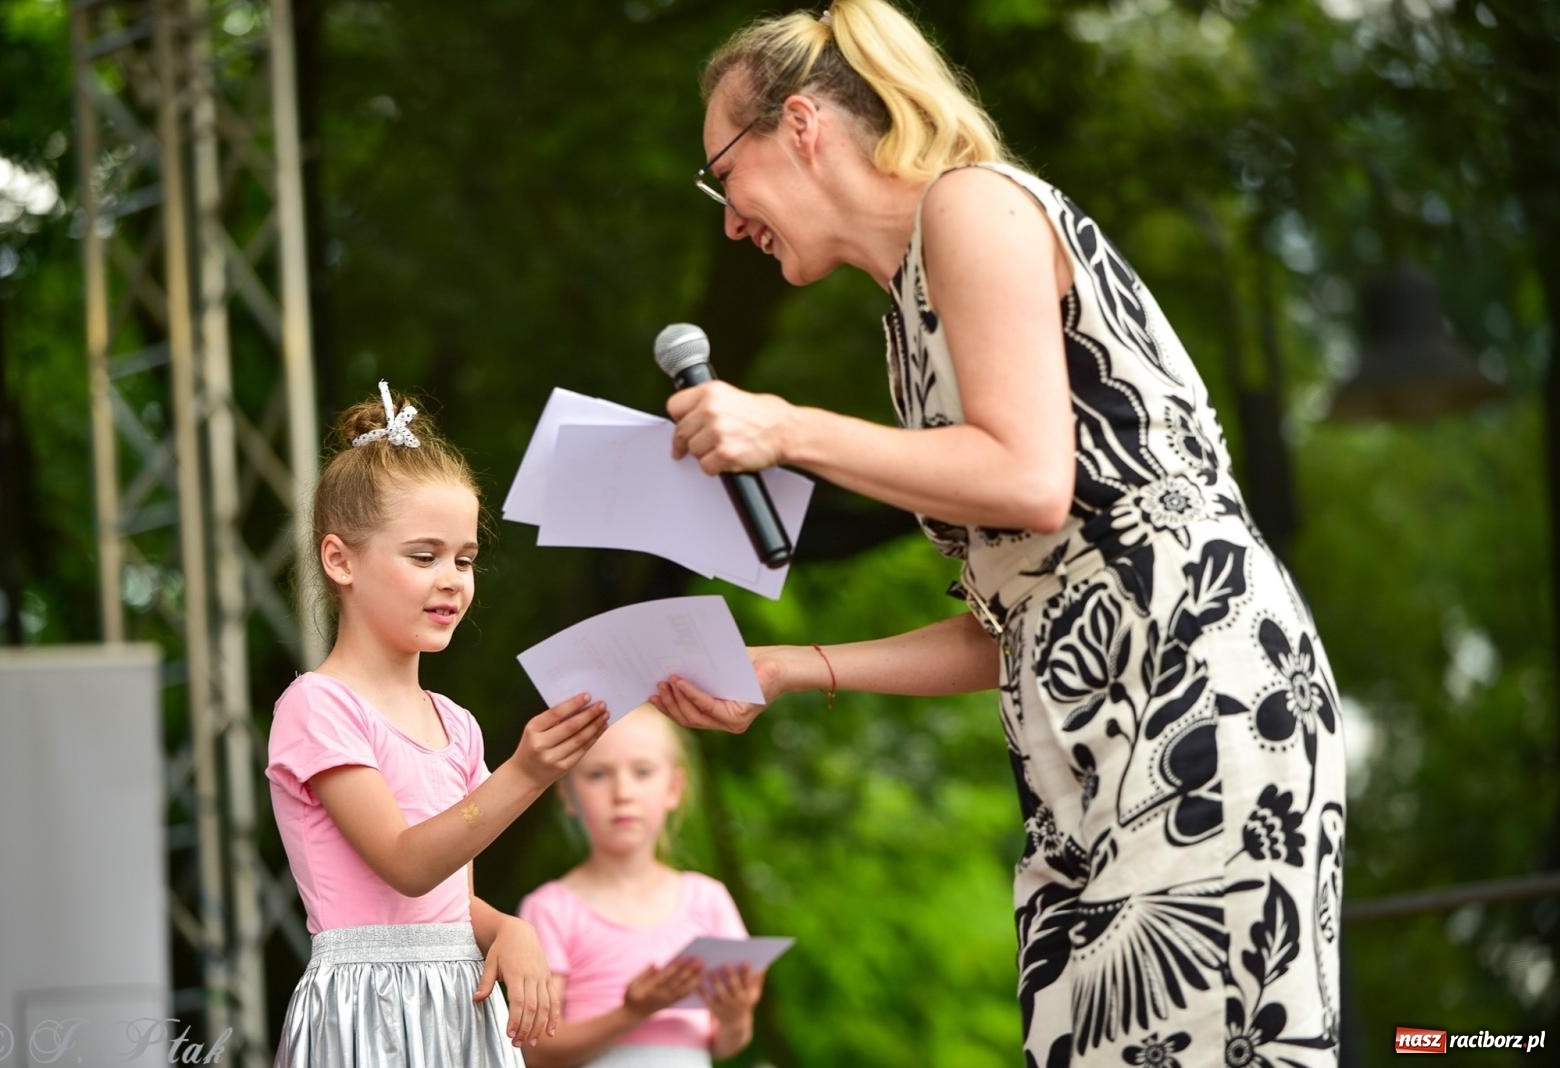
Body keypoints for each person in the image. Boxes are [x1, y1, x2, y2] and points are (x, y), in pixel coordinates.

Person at [650, 2, 1346, 1065]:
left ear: (799, 126)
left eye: (723, 173)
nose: (729, 219)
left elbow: (1027, 480)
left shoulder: (970, 207)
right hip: (1084, 752)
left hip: (1195, 706)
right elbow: (1022, 618)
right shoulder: (907, 326)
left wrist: (785, 427)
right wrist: (792, 668)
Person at [266, 381, 611, 1067]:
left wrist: (503, 928)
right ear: (340, 560)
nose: (452, 578)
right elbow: (407, 865)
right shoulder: (317, 706)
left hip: (457, 1011)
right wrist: (529, 772)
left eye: (465, 558)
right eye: (424, 557)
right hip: (370, 1015)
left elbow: (451, 903)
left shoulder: (455, 722)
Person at [517, 705, 764, 1068]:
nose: (623, 792)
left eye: (643, 772)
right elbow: (535, 1050)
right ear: (567, 795)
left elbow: (727, 1044)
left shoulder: (708, 900)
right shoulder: (550, 909)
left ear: (674, 788)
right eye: (598, 774)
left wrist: (735, 1016)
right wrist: (632, 1012)